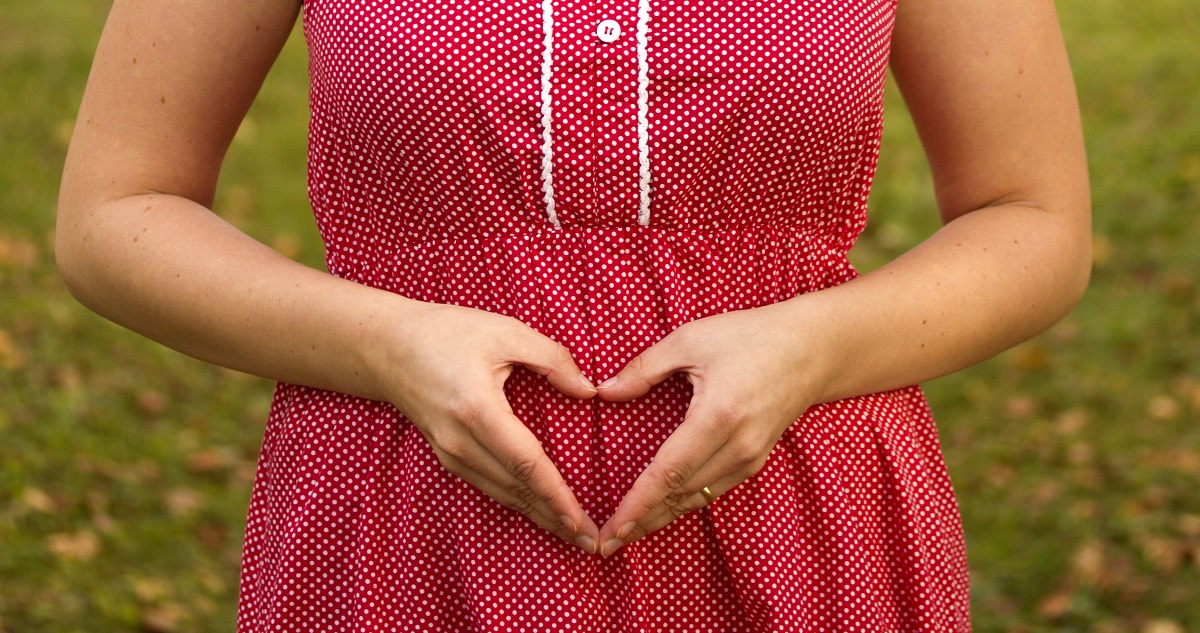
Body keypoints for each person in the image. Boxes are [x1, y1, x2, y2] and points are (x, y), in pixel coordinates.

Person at [57, 0, 1090, 629]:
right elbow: (117, 211)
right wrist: (387, 341)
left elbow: (1033, 219)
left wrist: (812, 344)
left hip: (797, 509)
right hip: (402, 516)